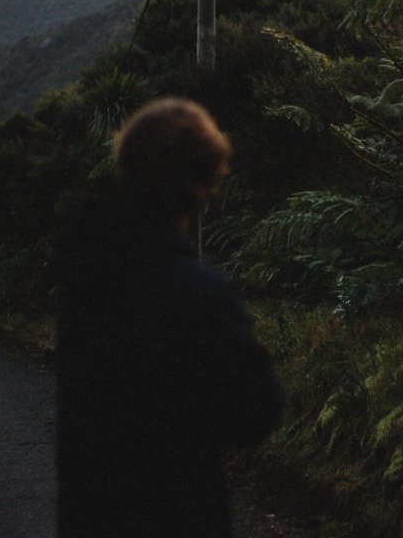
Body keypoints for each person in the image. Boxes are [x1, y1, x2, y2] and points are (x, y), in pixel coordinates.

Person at [55, 98, 285, 537]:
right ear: (202, 183)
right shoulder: (200, 294)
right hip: (181, 516)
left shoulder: (86, 279)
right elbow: (255, 412)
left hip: (90, 516)